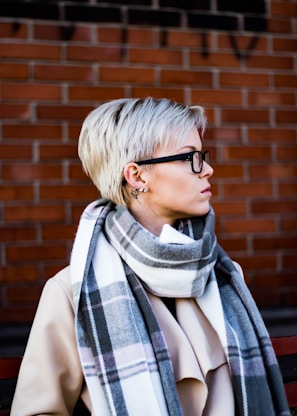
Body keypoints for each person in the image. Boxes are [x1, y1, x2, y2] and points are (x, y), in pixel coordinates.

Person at [11, 97, 289, 416]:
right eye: (190, 157)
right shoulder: (72, 292)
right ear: (137, 176)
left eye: (202, 156)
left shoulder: (223, 275)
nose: (207, 169)